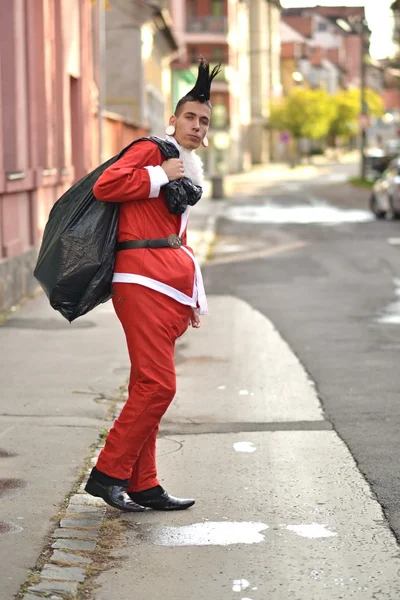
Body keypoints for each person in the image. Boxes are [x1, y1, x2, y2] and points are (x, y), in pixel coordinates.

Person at [84, 59, 221, 512]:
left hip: (168, 288)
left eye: (204, 121)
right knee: (159, 386)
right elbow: (107, 185)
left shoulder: (187, 166)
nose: (197, 126)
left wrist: (194, 294)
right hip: (140, 282)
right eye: (190, 117)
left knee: (147, 385)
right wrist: (162, 174)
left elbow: (178, 238)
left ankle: (145, 484)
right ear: (173, 119)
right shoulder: (151, 150)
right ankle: (108, 474)